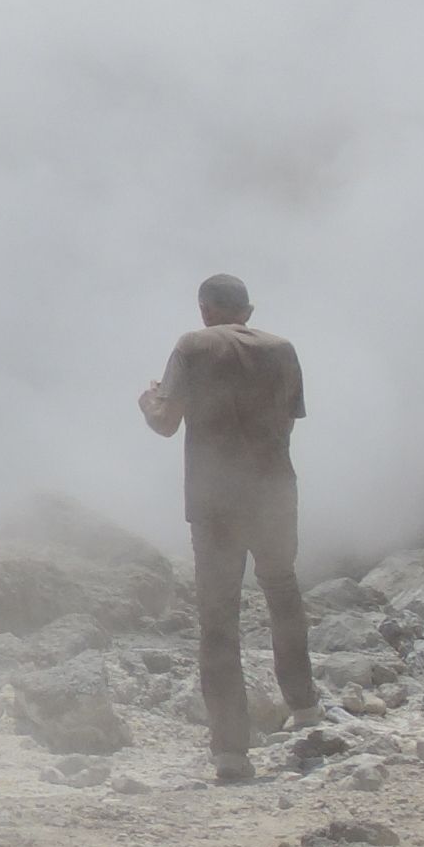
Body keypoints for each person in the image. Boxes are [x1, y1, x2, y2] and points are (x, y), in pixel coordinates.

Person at [139, 274, 315, 782]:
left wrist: (148, 399)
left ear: (204, 309)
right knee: (283, 591)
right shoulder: (282, 349)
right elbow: (289, 418)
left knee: (219, 619)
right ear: (249, 310)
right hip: (275, 491)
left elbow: (166, 423)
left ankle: (232, 753)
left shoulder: (193, 346)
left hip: (216, 500)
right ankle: (305, 709)